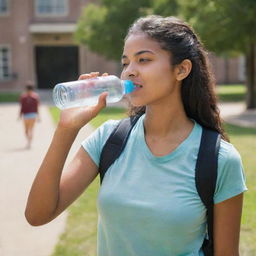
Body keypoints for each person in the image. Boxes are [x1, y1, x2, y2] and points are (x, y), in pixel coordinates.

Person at [25, 15, 247, 255]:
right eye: (125, 63)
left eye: (143, 60)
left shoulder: (219, 159)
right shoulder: (109, 139)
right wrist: (66, 130)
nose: (129, 71)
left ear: (181, 69)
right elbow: (38, 214)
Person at [19, 83, 40, 149]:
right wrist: (38, 116)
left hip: (28, 115)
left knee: (28, 130)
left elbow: (22, 107)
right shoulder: (34, 96)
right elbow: (37, 107)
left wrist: (20, 115)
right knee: (28, 130)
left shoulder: (24, 97)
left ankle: (29, 142)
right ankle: (29, 142)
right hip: (30, 115)